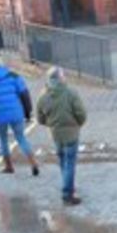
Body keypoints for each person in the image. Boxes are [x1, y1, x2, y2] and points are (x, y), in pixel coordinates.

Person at [0, 53, 39, 176]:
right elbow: (24, 94)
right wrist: (28, 112)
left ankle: (9, 166)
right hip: (16, 112)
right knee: (21, 138)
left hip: (0, 115)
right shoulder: (13, 76)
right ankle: (33, 163)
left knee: (3, 140)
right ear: (1, 63)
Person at [36, 67, 87, 206]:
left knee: (63, 160)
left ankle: (68, 184)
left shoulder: (43, 96)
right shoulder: (70, 93)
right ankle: (67, 194)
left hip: (56, 134)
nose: (65, 77)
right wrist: (78, 124)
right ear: (60, 79)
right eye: (63, 75)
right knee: (70, 163)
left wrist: (52, 124)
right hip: (71, 134)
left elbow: (40, 119)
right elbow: (81, 114)